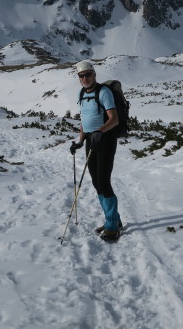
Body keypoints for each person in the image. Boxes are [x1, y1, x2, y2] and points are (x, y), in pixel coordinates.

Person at [70, 59, 122, 242]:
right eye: (81, 76)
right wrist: (80, 141)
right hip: (92, 140)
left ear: (94, 74)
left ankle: (112, 225)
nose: (85, 78)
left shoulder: (104, 92)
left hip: (105, 139)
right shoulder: (82, 93)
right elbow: (85, 120)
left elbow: (114, 119)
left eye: (88, 75)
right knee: (95, 182)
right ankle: (113, 218)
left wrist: (100, 131)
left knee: (103, 181)